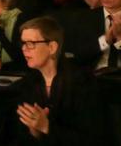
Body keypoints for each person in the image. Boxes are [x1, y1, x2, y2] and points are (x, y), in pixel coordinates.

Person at [14, 17, 104, 145]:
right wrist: (34, 131)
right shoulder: (26, 84)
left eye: (30, 43)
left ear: (52, 47)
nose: (24, 48)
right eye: (23, 43)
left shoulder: (82, 81)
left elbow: (92, 137)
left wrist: (47, 127)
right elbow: (22, 138)